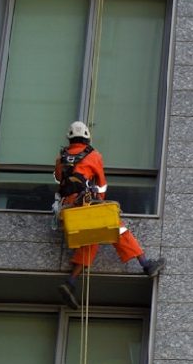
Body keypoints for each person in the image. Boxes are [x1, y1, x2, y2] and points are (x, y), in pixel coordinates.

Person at [54, 121, 165, 309]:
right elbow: (102, 184)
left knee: (92, 239)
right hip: (86, 204)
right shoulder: (93, 155)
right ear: (88, 137)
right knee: (117, 228)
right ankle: (146, 264)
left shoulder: (61, 157)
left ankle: (70, 282)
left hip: (68, 209)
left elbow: (58, 178)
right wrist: (100, 199)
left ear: (70, 138)